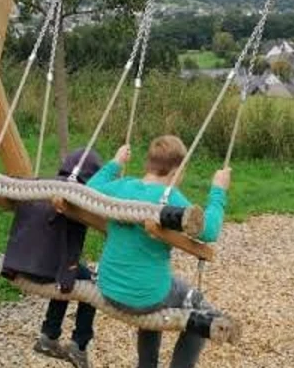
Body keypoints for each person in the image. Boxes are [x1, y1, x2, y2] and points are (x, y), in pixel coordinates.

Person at [86, 135, 231, 368]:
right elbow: (209, 229)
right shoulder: (168, 198)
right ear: (177, 170)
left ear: (149, 163)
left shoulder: (123, 187)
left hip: (109, 287)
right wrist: (218, 190)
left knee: (155, 285)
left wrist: (115, 163)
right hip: (146, 296)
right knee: (204, 316)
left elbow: (88, 191)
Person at [0, 148, 103, 368]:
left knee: (71, 270)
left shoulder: (38, 184)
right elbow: (73, 247)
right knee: (90, 283)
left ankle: (49, 336)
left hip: (17, 263)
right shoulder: (77, 198)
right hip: (46, 270)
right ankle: (79, 345)